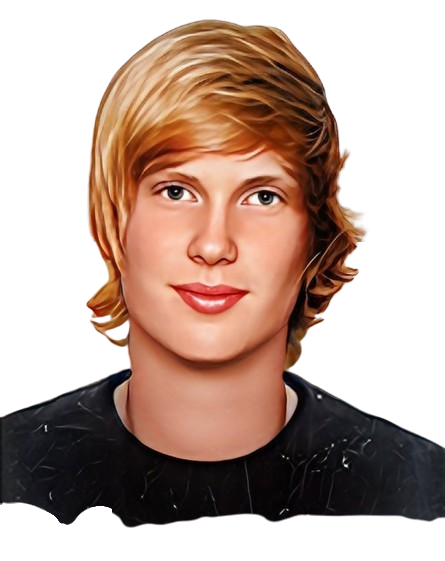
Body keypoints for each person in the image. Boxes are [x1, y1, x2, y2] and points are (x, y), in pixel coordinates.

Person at [2, 19, 444, 526]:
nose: (213, 246)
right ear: (111, 219)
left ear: (314, 234)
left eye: (262, 196)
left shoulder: (417, 490)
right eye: (176, 191)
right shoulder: (12, 473)